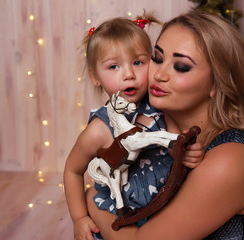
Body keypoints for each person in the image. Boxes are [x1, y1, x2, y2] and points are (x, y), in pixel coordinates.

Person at [86, 11, 244, 239]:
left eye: (180, 67)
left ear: (218, 83)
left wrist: (92, 201)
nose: (159, 74)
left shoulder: (233, 159)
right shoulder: (146, 122)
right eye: (157, 58)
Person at [64, 13, 205, 240]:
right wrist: (79, 217)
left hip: (166, 207)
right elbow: (73, 170)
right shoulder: (100, 128)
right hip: (121, 213)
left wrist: (187, 153)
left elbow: (173, 141)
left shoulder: (159, 105)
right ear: (94, 76)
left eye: (138, 62)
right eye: (113, 66)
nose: (129, 74)